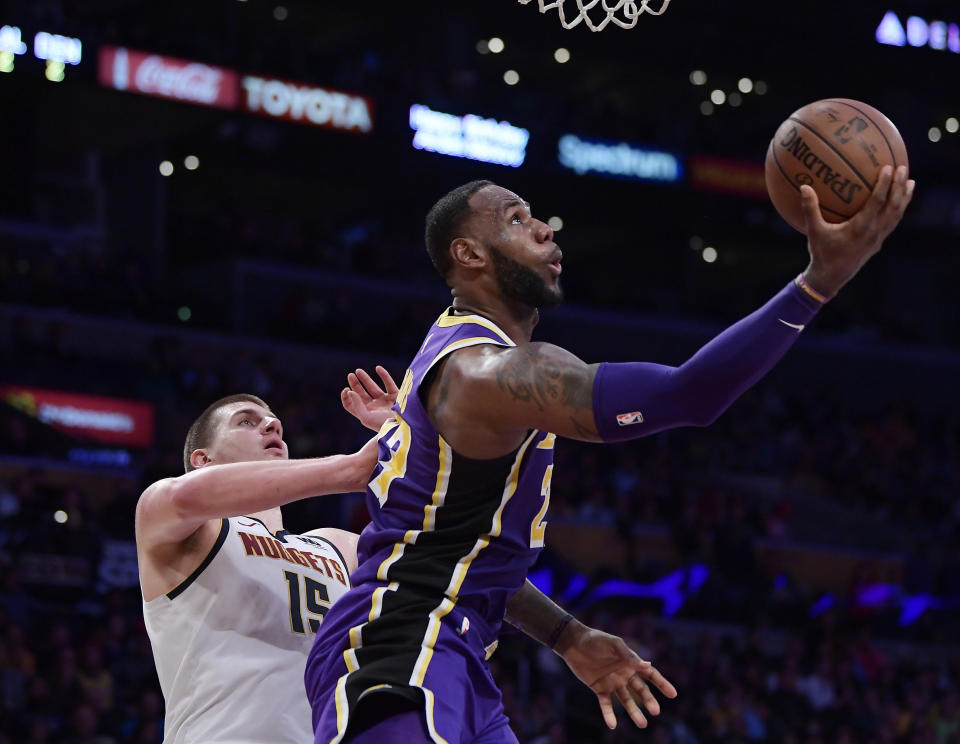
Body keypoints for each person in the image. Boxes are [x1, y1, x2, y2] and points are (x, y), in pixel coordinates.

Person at [306, 167, 915, 744]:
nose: (546, 228)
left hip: (456, 653)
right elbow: (690, 395)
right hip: (401, 651)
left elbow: (453, 555)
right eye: (518, 219)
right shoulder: (488, 372)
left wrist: (567, 634)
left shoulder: (466, 356)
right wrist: (816, 284)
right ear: (469, 254)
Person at [137, 391, 674, 744]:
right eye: (247, 421)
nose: (272, 423)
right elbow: (186, 501)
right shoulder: (173, 520)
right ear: (200, 460)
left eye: (272, 417)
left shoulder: (339, 546)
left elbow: (455, 562)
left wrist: (568, 635)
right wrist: (356, 467)